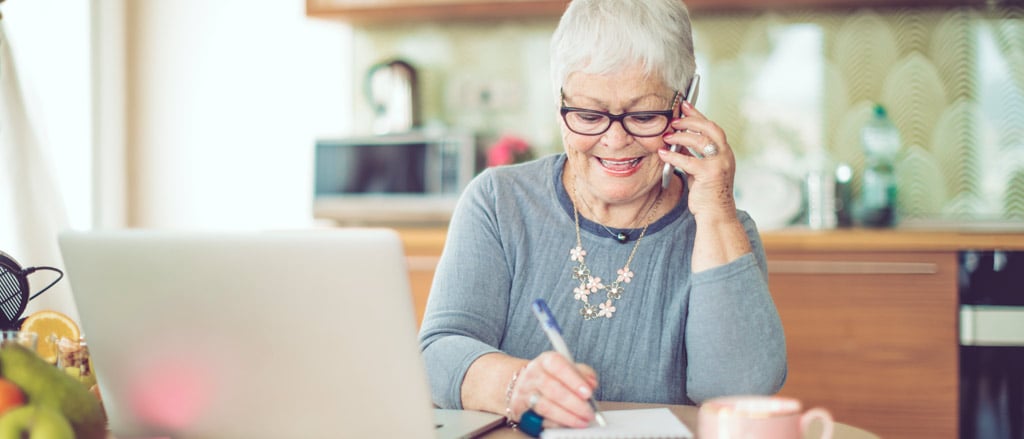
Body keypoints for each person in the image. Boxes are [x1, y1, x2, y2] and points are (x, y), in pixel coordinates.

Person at [418, 0, 786, 430]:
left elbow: (740, 393)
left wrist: (715, 210)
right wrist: (515, 384)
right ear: (560, 105)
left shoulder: (722, 227)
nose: (614, 140)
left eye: (644, 115)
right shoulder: (499, 201)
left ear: (687, 103)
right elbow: (436, 353)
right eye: (589, 115)